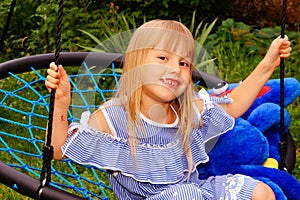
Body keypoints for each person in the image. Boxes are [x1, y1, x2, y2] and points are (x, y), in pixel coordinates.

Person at [45, 19, 291, 199]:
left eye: (184, 63)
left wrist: (269, 62)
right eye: (163, 58)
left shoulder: (186, 111)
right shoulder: (114, 116)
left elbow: (235, 104)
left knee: (260, 192)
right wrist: (61, 103)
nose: (175, 68)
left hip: (195, 192)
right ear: (136, 64)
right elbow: (58, 149)